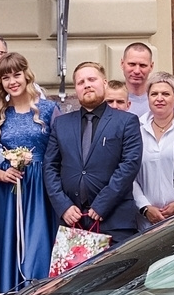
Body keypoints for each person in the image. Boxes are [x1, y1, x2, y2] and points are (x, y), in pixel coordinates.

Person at [43, 61, 144, 242]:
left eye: (92, 79)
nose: (87, 85)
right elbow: (50, 167)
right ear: (76, 89)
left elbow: (129, 165)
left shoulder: (126, 121)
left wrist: (103, 203)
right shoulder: (62, 124)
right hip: (72, 221)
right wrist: (63, 205)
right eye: (81, 82)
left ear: (104, 83)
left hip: (114, 219)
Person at [0, 51, 56, 291]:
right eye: (6, 78)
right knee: (9, 246)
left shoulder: (48, 110)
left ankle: (40, 294)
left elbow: (62, 152)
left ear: (27, 75)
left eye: (17, 74)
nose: (12, 81)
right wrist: (1, 174)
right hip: (9, 190)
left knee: (39, 246)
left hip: (41, 188)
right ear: (0, 83)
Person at [132, 72, 174, 232]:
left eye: (165, 94)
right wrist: (145, 207)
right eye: (154, 94)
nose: (159, 98)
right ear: (148, 98)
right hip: (146, 220)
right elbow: (130, 173)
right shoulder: (136, 128)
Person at [121, 42, 155, 117]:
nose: (137, 71)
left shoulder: (165, 98)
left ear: (151, 66)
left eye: (143, 65)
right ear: (122, 64)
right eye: (132, 64)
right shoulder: (112, 99)